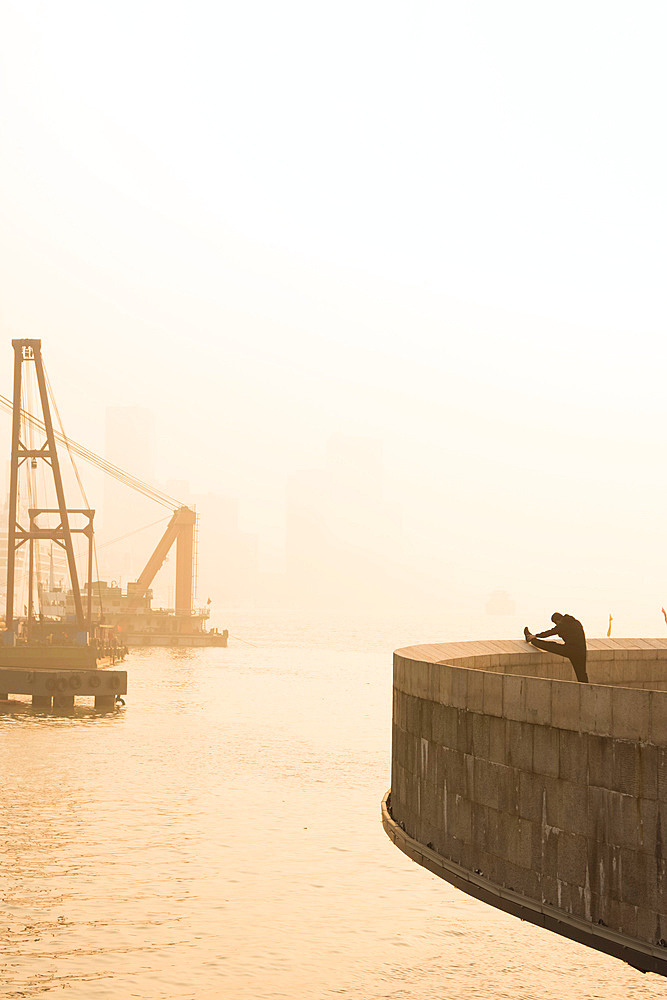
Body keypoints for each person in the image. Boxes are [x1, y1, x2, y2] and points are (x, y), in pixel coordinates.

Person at [523, 612, 588, 683]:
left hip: (570, 650)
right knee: (581, 674)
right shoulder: (576, 622)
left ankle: (531, 638)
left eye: (556, 624)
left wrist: (535, 636)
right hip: (582, 651)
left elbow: (550, 632)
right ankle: (587, 690)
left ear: (557, 621)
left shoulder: (562, 625)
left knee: (551, 646)